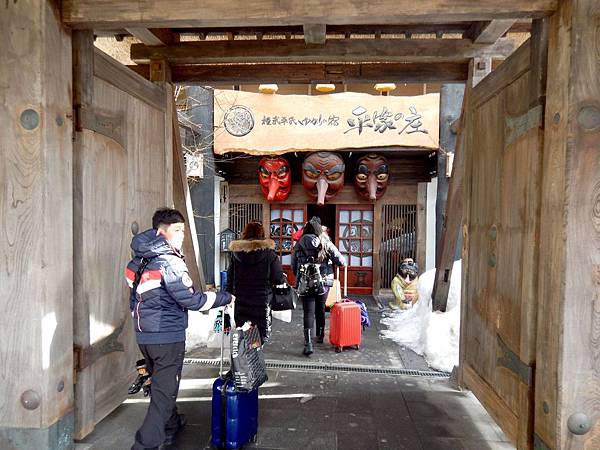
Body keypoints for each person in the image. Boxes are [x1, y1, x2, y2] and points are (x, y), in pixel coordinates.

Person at [125, 207, 233, 450]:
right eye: (177, 230)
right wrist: (223, 298)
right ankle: (145, 445)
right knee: (164, 393)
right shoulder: (169, 262)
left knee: (161, 384)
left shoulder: (138, 261)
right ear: (160, 232)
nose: (182, 235)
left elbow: (135, 297)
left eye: (183, 230)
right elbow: (192, 300)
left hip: (145, 335)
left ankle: (171, 423)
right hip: (167, 337)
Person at [292, 216, 346, 355]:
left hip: (305, 282)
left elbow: (293, 265)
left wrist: (299, 277)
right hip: (323, 282)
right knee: (320, 309)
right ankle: (320, 336)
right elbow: (341, 260)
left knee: (308, 312)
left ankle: (308, 342)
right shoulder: (325, 242)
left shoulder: (299, 243)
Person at [226, 221, 285, 342]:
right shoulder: (270, 255)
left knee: (244, 335)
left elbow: (230, 277)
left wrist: (228, 295)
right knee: (258, 338)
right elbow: (278, 279)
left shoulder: (235, 255)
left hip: (241, 302)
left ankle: (245, 357)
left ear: (245, 234)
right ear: (261, 234)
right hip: (261, 303)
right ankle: (254, 355)